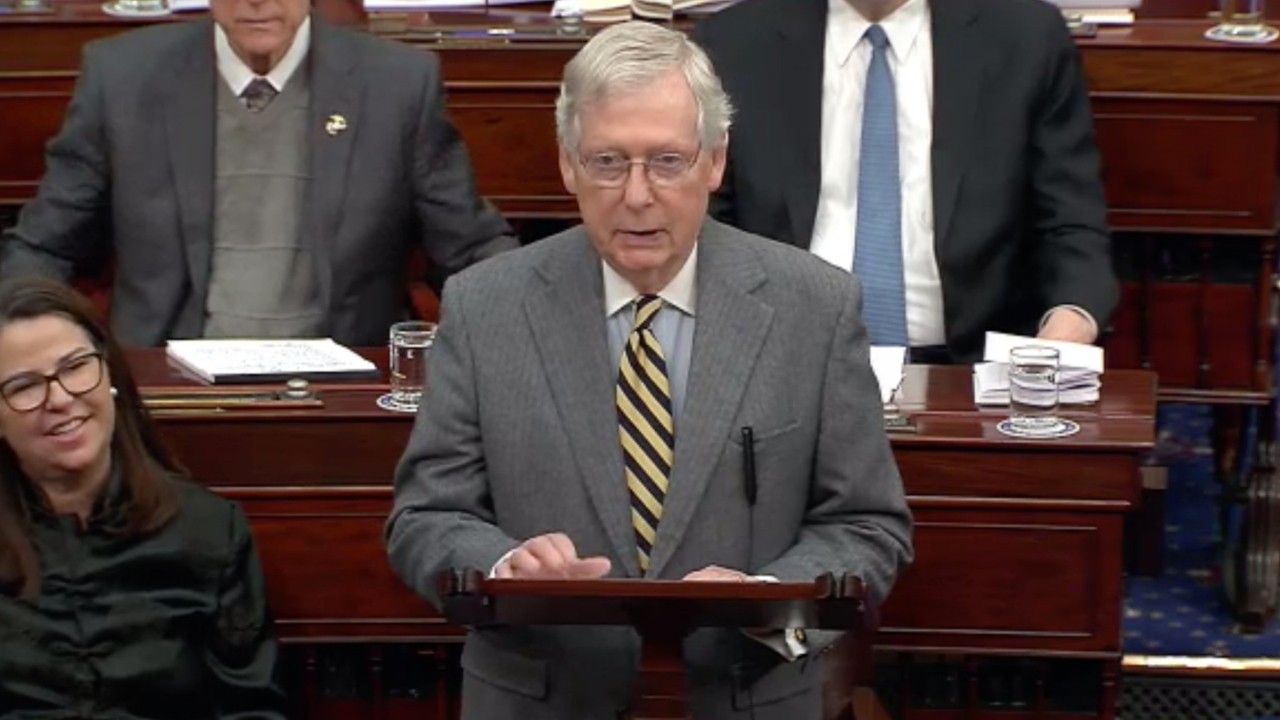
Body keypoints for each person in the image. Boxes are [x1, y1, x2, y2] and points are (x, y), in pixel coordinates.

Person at [385, 21, 913, 719]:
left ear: (715, 162)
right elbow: (426, 516)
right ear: (568, 165)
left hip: (746, 695)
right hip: (542, 697)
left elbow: (868, 526)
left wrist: (767, 598)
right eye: (608, 162)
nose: (637, 195)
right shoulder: (486, 306)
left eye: (667, 161)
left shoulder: (814, 306)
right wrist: (504, 568)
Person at [0, 0, 515, 347]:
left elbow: (470, 249)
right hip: (164, 392)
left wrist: (536, 324)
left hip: (343, 389)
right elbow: (45, 247)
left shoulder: (397, 84)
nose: (256, 1)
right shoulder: (123, 78)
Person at [691, 0, 1118, 363]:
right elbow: (707, 229)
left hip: (970, 369)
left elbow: (1070, 225)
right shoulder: (732, 43)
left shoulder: (1025, 38)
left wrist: (1065, 328)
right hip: (785, 362)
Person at [0, 277, 285, 718]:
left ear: (110, 373)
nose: (59, 398)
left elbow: (253, 709)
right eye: (24, 386)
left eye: (76, 366)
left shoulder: (209, 531)